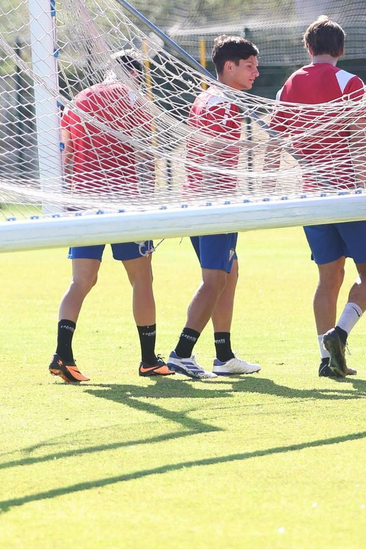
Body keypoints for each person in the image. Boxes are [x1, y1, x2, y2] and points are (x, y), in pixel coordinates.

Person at [49, 50, 170, 382]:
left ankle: (63, 354)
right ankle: (148, 359)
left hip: (83, 201)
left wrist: (66, 201)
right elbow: (146, 156)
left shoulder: (79, 99)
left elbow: (66, 152)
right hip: (124, 202)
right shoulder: (136, 101)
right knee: (141, 280)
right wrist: (149, 200)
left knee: (80, 281)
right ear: (135, 73)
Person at [272, 17, 366, 379]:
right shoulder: (349, 82)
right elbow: (356, 142)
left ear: (308, 48)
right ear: (342, 49)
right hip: (346, 193)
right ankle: (341, 333)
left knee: (328, 278)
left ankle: (325, 357)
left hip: (312, 196)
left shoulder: (291, 83)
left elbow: (277, 137)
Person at [171, 36, 263, 379]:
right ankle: (181, 352)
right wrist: (219, 202)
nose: (256, 72)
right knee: (214, 280)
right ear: (230, 67)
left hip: (203, 201)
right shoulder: (222, 104)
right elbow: (210, 156)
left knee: (229, 272)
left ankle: (223, 355)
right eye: (250, 66)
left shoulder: (209, 98)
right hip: (212, 205)